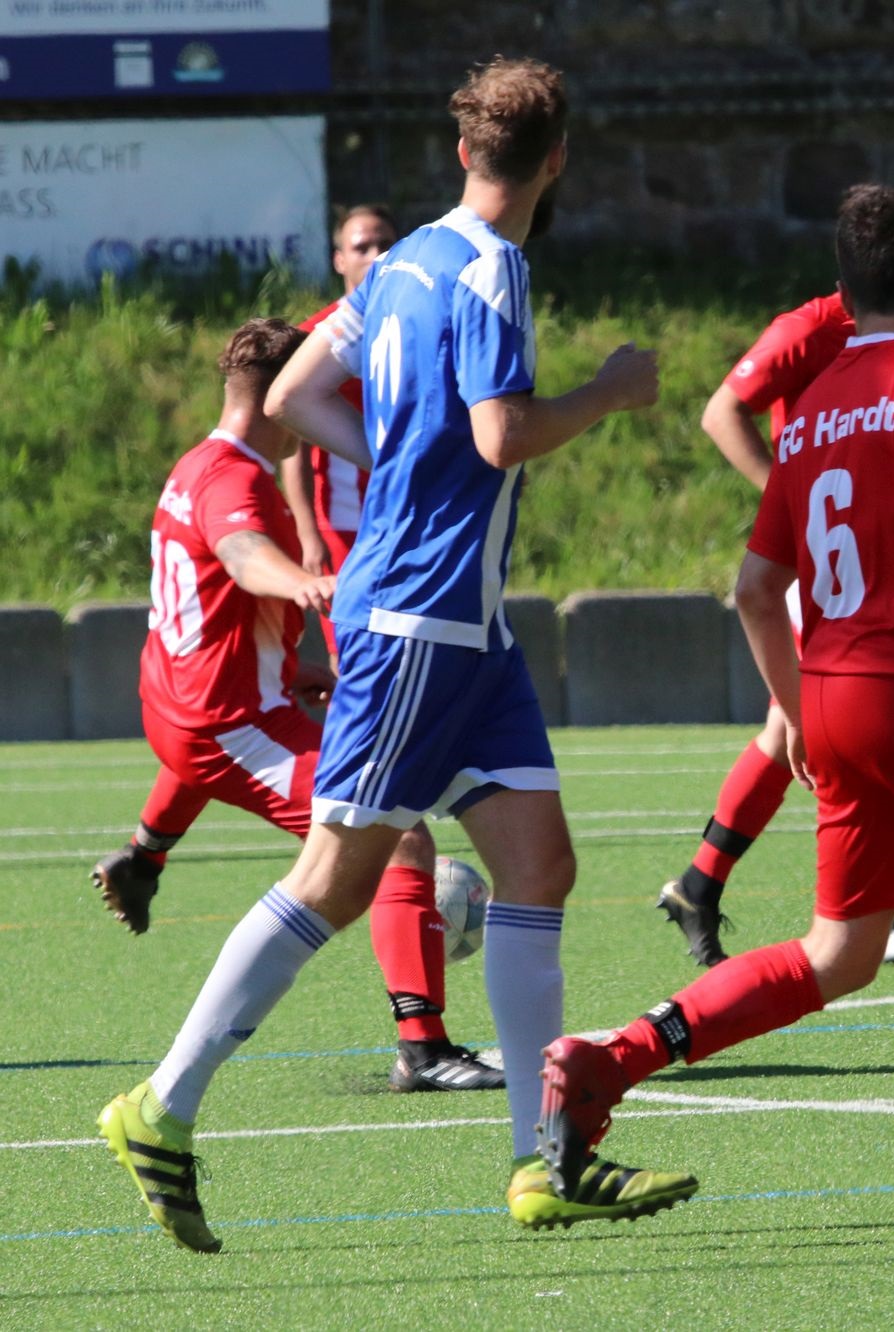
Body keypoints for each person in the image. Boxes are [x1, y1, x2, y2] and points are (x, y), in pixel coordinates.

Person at [96, 57, 687, 1254]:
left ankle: (542, 1162)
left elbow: (298, 396)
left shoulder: (405, 256)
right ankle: (162, 1105)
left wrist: (398, 449)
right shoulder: (493, 266)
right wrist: (611, 393)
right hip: (417, 614)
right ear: (557, 160)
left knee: (541, 865)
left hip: (470, 629)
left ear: (464, 149)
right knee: (338, 875)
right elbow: (503, 432)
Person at [532, 185, 894, 1245]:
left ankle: (605, 1061)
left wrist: (799, 711)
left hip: (836, 693)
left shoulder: (811, 411)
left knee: (837, 953)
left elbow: (758, 589)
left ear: (842, 298)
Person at [89, 317, 500, 1097]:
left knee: (246, 768)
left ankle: (145, 856)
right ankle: (424, 1046)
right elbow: (243, 558)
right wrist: (303, 582)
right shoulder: (235, 481)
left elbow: (217, 593)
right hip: (225, 720)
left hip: (184, 700)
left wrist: (292, 664)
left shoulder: (196, 462)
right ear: (279, 398)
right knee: (399, 834)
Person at [657, 286, 894, 969]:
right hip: (827, 558)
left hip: (869, 555)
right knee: (840, 711)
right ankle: (866, 903)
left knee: (794, 727)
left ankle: (700, 884)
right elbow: (722, 411)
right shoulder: (810, 327)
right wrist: (793, 503)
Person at [278, 203, 399, 665]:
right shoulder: (319, 336)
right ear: (339, 260)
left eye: (385, 244)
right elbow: (292, 443)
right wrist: (308, 533)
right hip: (345, 522)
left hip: (412, 509)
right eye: (361, 246)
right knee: (351, 650)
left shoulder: (422, 326)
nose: (374, 254)